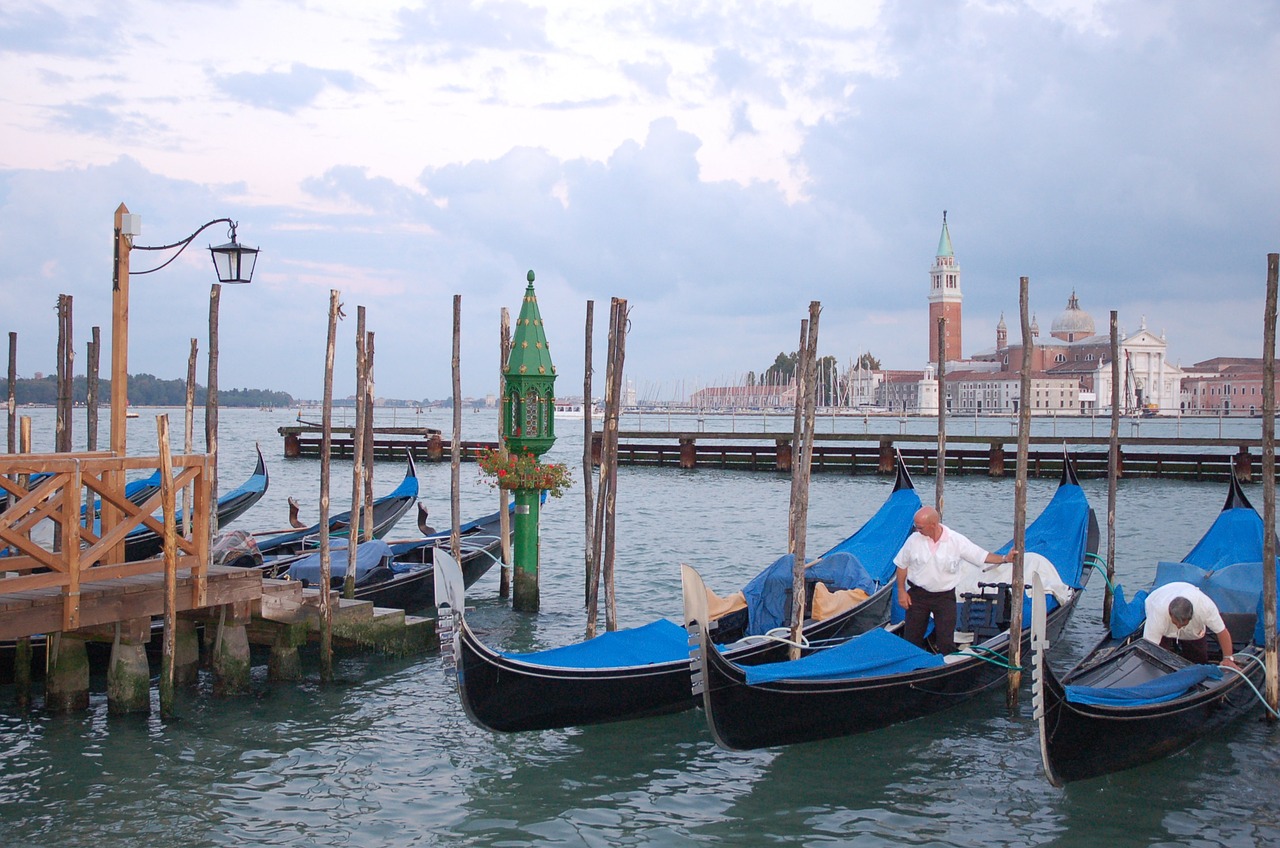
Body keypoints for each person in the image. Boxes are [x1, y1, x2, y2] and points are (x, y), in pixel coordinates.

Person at [893, 506, 1015, 655]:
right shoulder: (913, 540)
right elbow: (901, 565)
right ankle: (911, 666)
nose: (917, 530)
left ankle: (946, 666)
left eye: (920, 527)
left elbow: (981, 556)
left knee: (945, 641)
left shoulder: (955, 540)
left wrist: (1004, 559)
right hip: (917, 595)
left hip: (944, 597)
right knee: (912, 638)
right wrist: (901, 591)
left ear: (933, 524)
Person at [1142, 582, 1240, 670]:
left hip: (1192, 626)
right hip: (1159, 600)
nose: (1179, 626)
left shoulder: (1205, 607)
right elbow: (1149, 648)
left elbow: (1221, 631)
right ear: (1170, 614)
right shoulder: (1157, 613)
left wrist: (1228, 658)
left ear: (1191, 615)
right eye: (1176, 623)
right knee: (1158, 657)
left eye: (1183, 623)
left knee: (1199, 658)